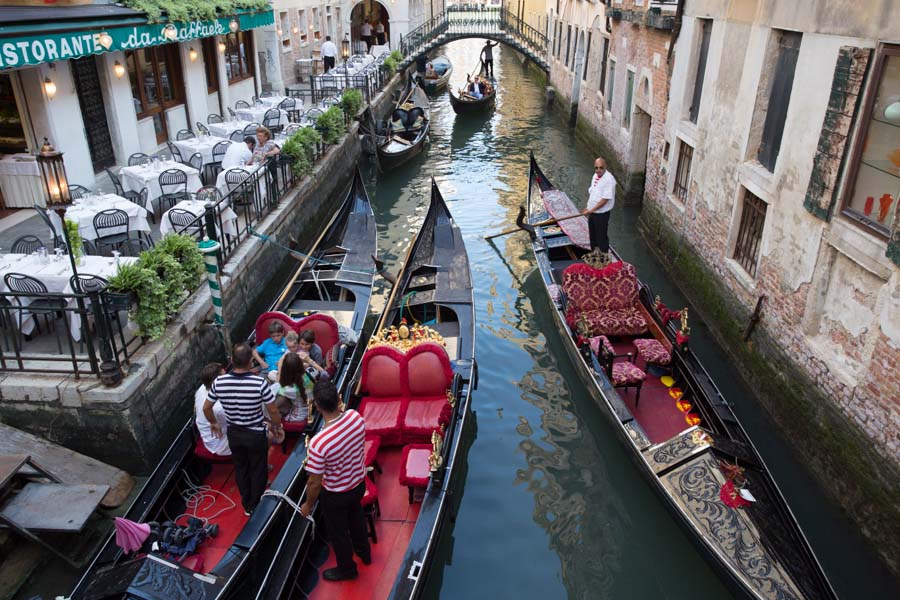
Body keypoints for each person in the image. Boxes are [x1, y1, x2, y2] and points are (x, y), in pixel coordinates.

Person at [300, 379, 369, 581]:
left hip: (336, 494)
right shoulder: (356, 418)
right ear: (338, 399)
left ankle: (347, 569)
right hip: (358, 484)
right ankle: (364, 553)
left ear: (318, 406)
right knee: (356, 518)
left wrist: (308, 504)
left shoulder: (319, 443)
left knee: (338, 533)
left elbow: (314, 482)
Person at [204, 343, 281, 516]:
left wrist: (213, 422)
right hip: (255, 434)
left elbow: (206, 407)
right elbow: (273, 410)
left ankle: (247, 503)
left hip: (235, 434)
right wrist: (277, 427)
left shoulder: (219, 382)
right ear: (250, 361)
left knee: (241, 468)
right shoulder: (259, 383)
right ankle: (255, 503)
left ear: (232, 360)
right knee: (258, 468)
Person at [582, 157, 616, 255]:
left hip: (602, 214)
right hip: (592, 212)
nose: (598, 170)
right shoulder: (595, 176)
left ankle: (603, 261)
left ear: (605, 167)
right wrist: (587, 207)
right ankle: (594, 257)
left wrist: (590, 210)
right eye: (596, 168)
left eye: (601, 168)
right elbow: (593, 194)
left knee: (601, 238)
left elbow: (604, 200)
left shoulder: (609, 180)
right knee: (593, 236)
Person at [194, 363, 230, 456]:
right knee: (263, 433)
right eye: (224, 377)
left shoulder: (202, 388)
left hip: (208, 436)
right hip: (221, 443)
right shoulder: (219, 407)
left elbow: (195, 408)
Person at [272, 352, 312, 422]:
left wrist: (279, 367)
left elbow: (275, 388)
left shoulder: (289, 390)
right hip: (310, 410)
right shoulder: (311, 372)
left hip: (297, 417)